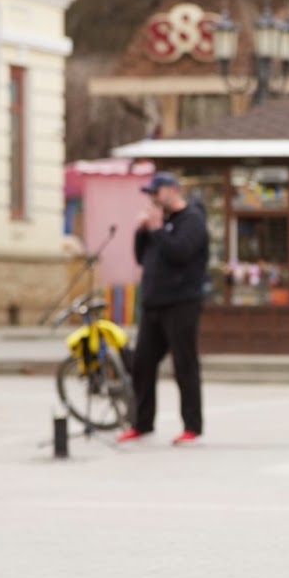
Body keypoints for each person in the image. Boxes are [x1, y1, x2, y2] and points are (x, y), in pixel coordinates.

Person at [118, 171, 208, 445]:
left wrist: (157, 229)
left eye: (156, 193)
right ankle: (142, 423)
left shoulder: (192, 219)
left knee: (184, 363)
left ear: (171, 191)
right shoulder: (160, 223)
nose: (152, 199)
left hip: (182, 302)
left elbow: (180, 253)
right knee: (142, 363)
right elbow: (141, 258)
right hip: (153, 303)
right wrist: (141, 231)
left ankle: (192, 426)